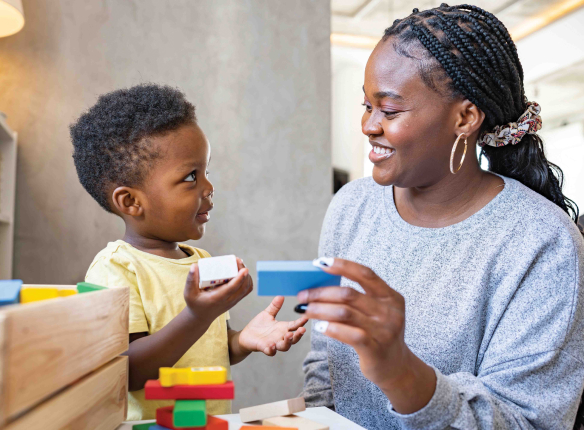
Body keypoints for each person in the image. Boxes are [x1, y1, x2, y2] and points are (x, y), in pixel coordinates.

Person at [300, 4, 584, 429]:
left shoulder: (543, 242)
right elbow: (325, 361)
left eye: (390, 111)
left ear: (465, 118)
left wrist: (400, 371)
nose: (368, 125)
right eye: (366, 105)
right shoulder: (350, 206)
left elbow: (528, 423)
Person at [70, 84, 308, 420]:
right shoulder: (117, 269)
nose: (209, 188)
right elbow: (130, 370)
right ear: (131, 201)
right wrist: (198, 316)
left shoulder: (202, 262)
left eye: (206, 173)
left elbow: (208, 346)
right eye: (191, 177)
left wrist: (241, 341)